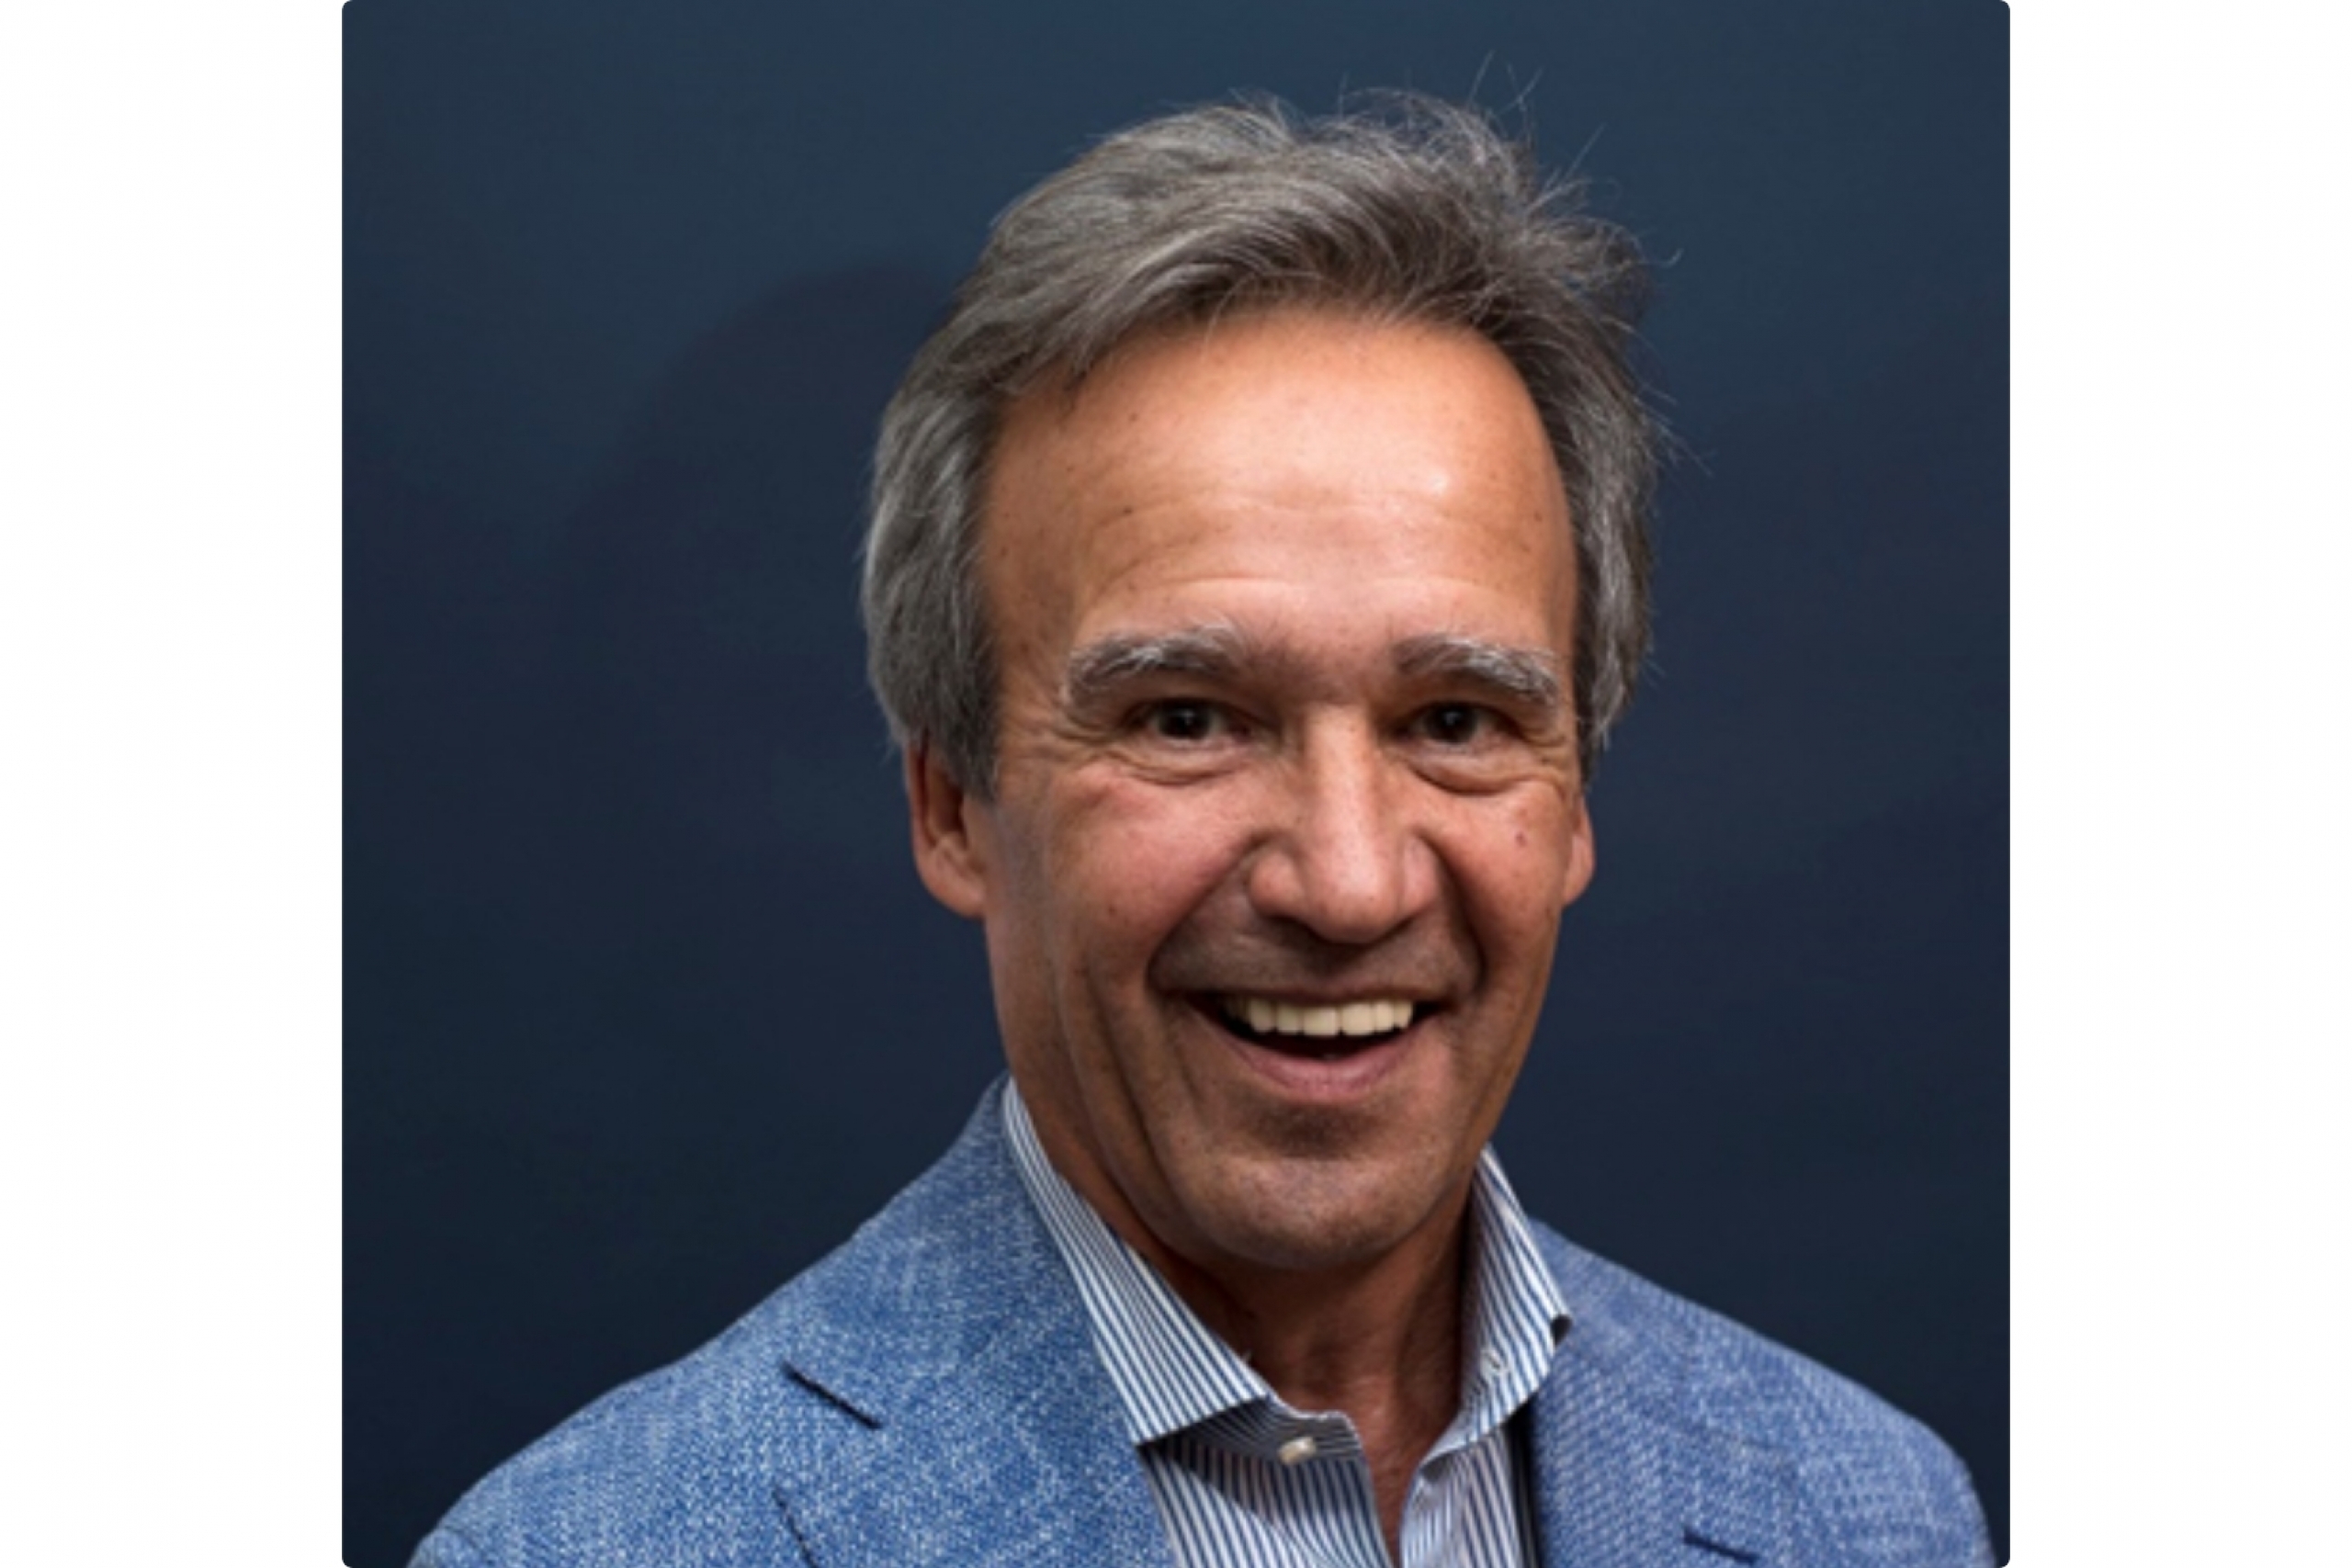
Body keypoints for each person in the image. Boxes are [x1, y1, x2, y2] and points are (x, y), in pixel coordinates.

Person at [411, 94, 1993, 1568]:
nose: (1350, 881)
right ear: (953, 804)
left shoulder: (1867, 1510)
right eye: (1188, 719)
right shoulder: (605, 1543)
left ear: (1575, 795)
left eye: (1457, 721)